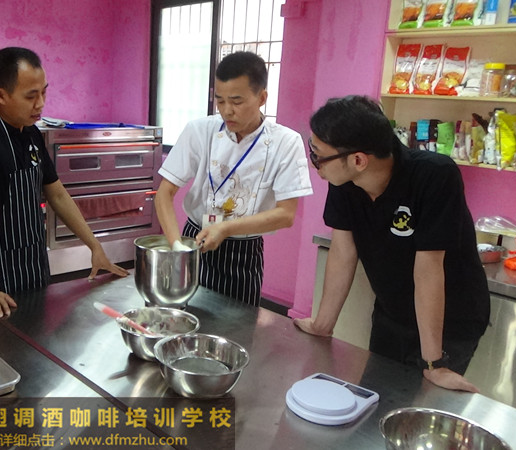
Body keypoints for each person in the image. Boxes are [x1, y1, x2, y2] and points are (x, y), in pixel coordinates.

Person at [293, 95, 490, 393]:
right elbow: (343, 252)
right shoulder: (345, 181)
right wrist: (323, 325)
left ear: (358, 160)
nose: (314, 164)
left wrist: (434, 364)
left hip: (450, 320)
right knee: (377, 398)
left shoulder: (434, 175)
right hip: (392, 312)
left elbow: (428, 269)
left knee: (421, 409)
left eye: (318, 156)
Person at [0, 47, 128, 319]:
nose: (40, 104)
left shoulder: (32, 133)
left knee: (36, 329)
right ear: (0, 94)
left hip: (35, 261)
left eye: (44, 92)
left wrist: (95, 247)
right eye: (30, 96)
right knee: (3, 337)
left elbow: (57, 195)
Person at [155, 51, 313, 305]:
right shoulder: (200, 130)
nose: (227, 111)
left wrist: (225, 228)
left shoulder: (286, 142)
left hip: (243, 251)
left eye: (237, 102)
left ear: (262, 98)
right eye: (220, 101)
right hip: (194, 240)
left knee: (237, 324)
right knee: (182, 317)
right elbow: (165, 193)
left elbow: (286, 215)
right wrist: (177, 248)